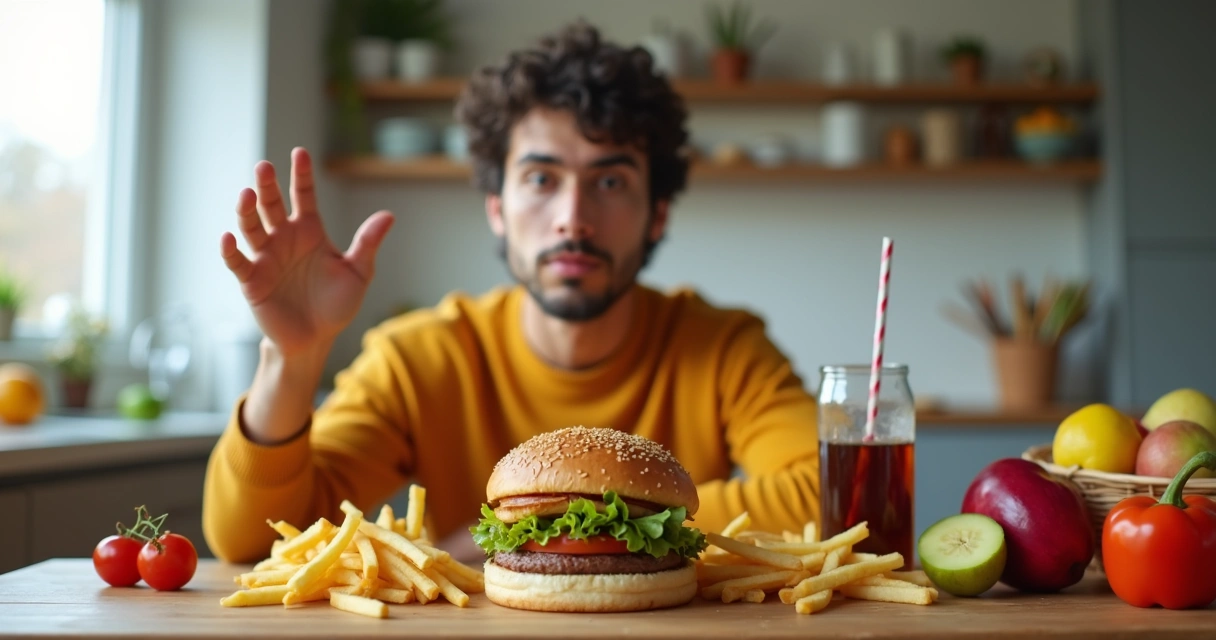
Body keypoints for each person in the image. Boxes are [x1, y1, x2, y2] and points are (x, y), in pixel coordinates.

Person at [202, 22, 819, 564]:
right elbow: (250, 541)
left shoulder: (726, 347)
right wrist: (293, 356)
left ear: (657, 214)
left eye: (609, 179)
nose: (572, 218)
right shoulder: (419, 357)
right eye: (541, 178)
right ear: (497, 208)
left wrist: (524, 528)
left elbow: (824, 495)